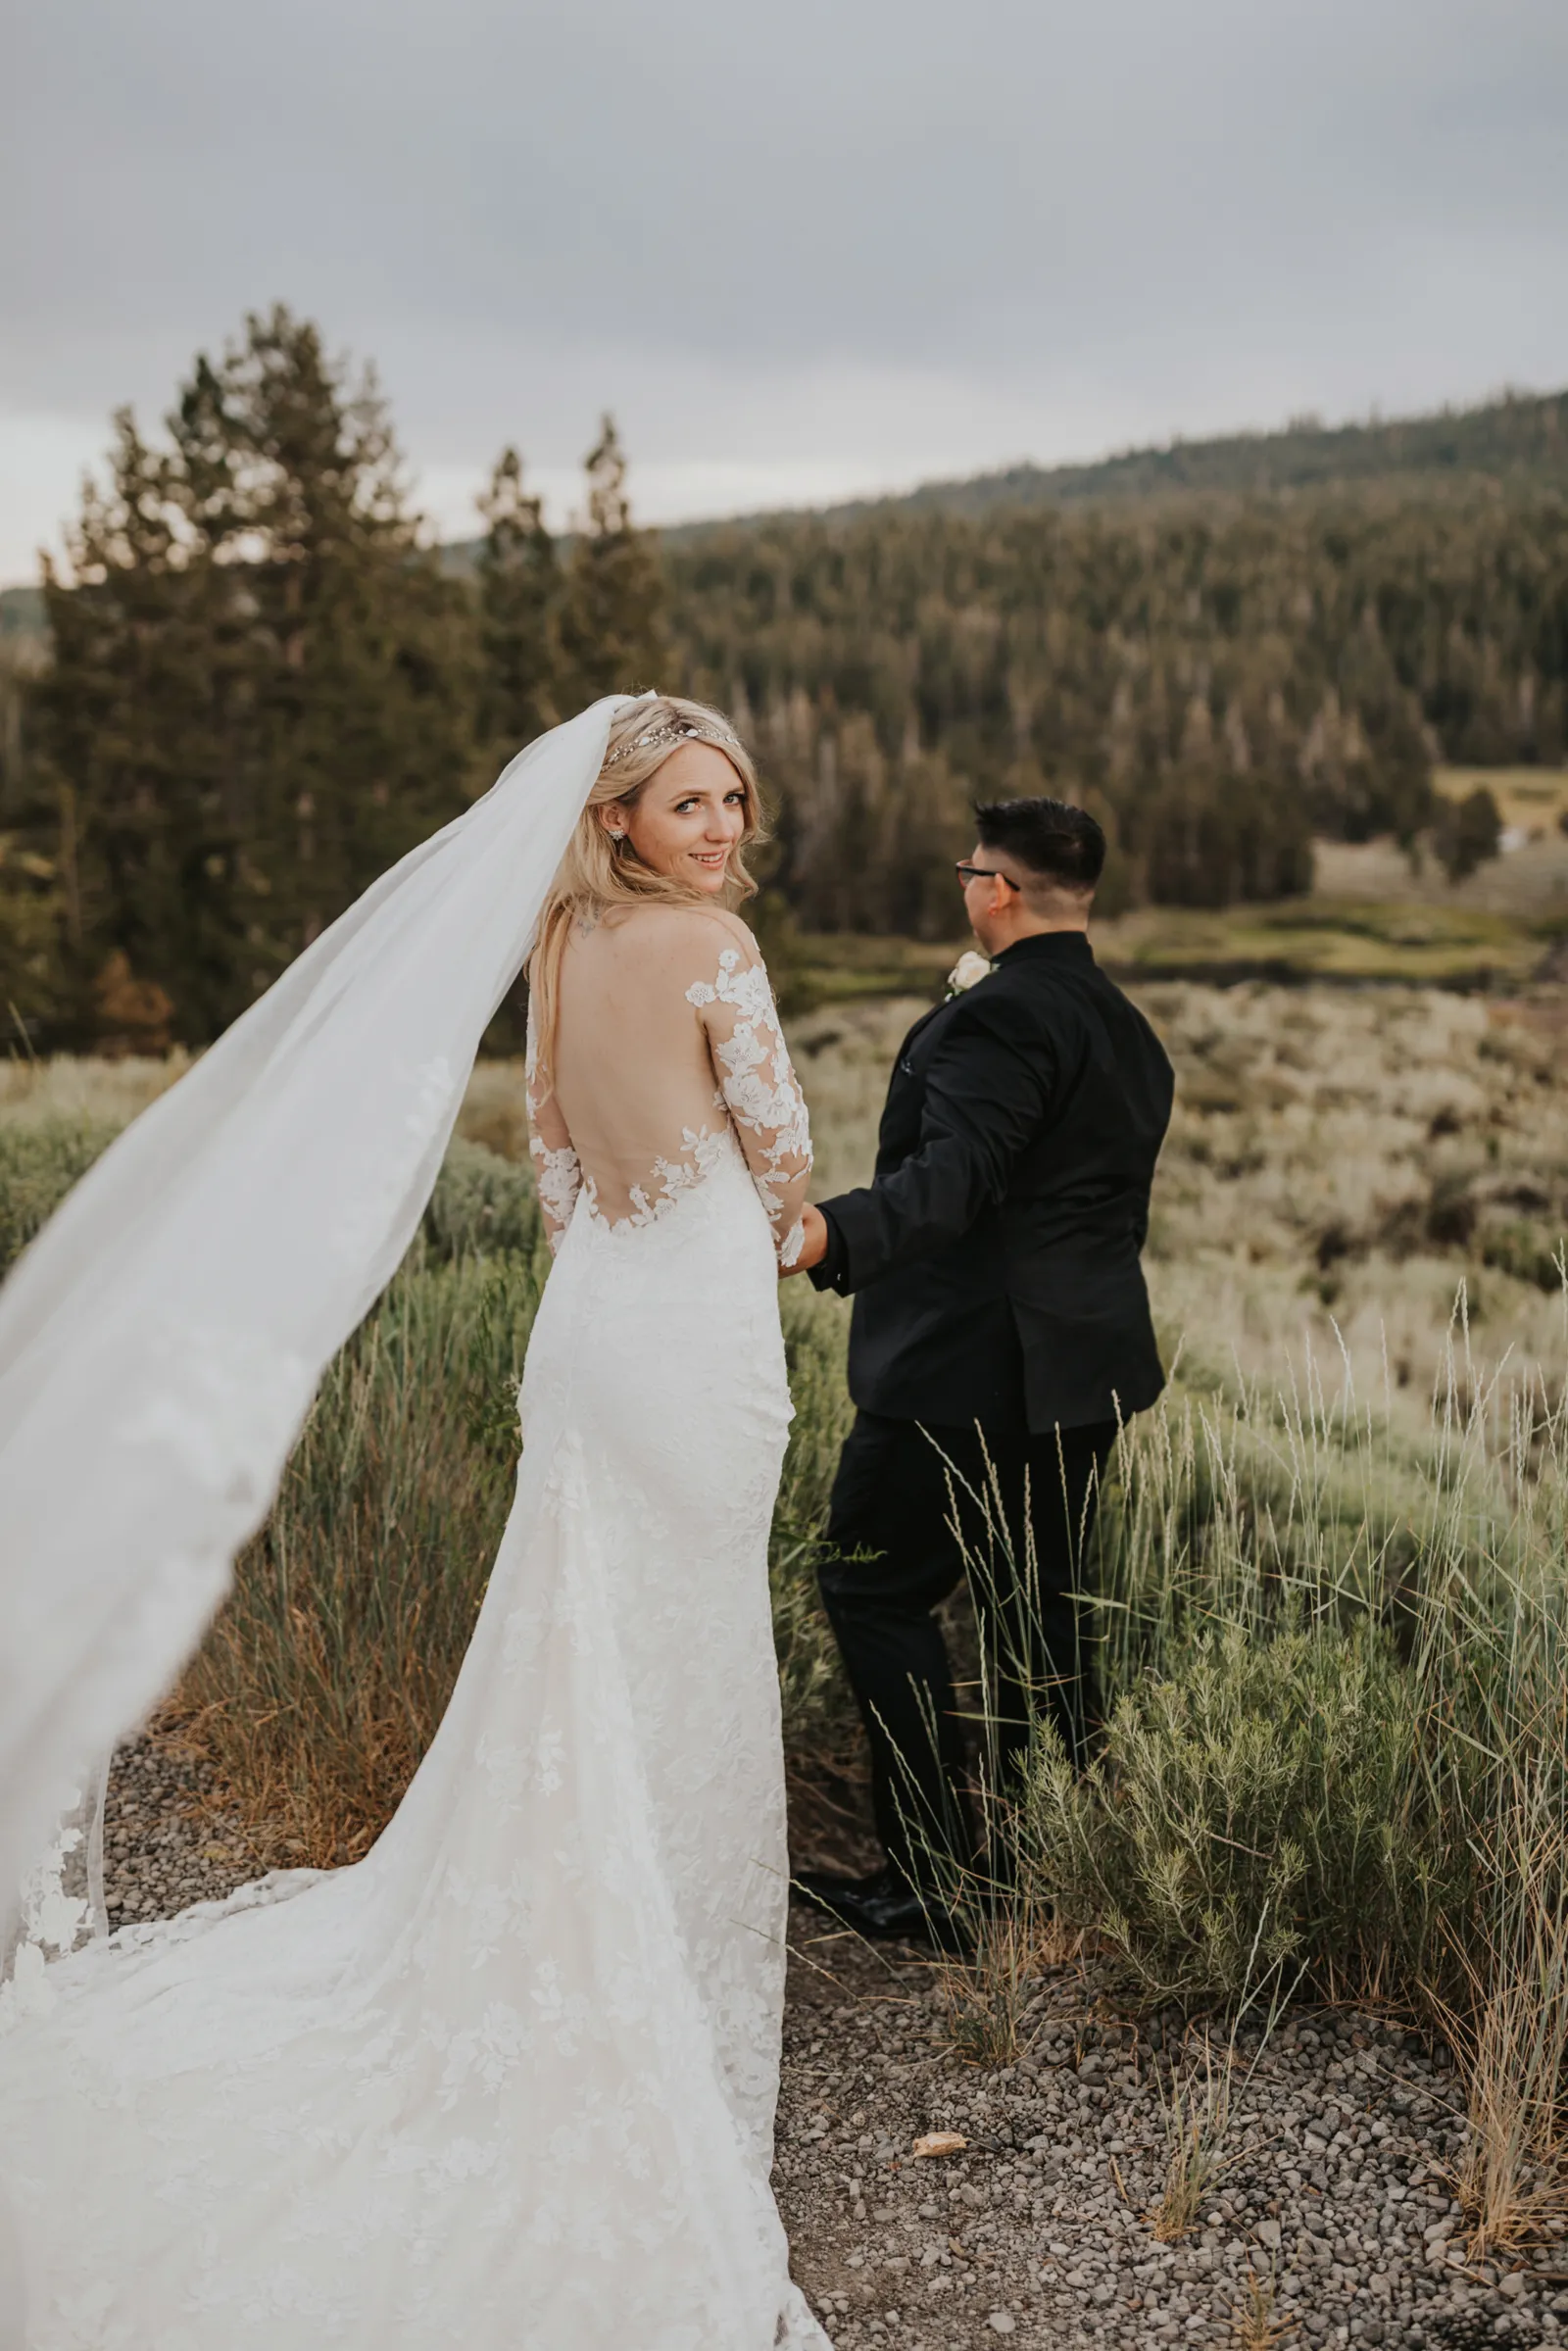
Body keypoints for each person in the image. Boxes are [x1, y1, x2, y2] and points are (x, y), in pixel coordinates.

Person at [0, 697, 831, 2349]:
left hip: (592, 1316)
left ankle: (576, 1941)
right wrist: (787, 1221)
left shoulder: (556, 945)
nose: (726, 825)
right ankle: (655, 1991)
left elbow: (548, 1156)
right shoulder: (711, 948)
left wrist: (632, 1238)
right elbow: (784, 1146)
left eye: (735, 796)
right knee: (682, 1630)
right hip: (693, 1327)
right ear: (621, 815)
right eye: (691, 800)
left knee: (580, 1630)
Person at [787, 798, 1174, 1944]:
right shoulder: (1126, 1027)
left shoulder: (994, 1021)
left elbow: (949, 1183)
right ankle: (1048, 1872)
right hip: (1084, 1372)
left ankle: (929, 1877)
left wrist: (829, 1233)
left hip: (962, 1376)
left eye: (970, 874)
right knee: (1042, 1617)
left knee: (870, 1583)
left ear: (994, 889)